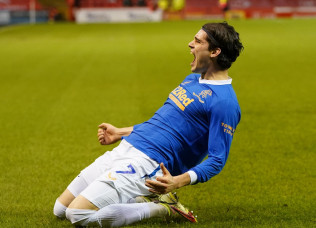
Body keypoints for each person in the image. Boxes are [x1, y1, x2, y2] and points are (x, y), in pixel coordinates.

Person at [53, 21, 244, 227]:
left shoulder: (224, 102)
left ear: (215, 51)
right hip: (126, 148)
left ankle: (162, 207)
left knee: (77, 214)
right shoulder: (192, 79)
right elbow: (160, 123)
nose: (190, 44)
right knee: (60, 210)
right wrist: (121, 132)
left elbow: (217, 159)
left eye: (197, 41)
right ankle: (132, 197)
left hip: (148, 163)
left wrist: (176, 182)